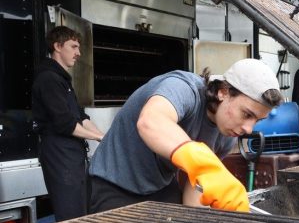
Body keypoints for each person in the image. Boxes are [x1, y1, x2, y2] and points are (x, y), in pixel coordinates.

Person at [88, 58, 283, 214]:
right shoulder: (184, 87)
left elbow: (195, 188)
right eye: (247, 114)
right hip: (114, 182)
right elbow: (151, 121)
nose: (248, 129)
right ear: (224, 92)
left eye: (256, 120)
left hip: (159, 186)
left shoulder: (227, 134)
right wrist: (204, 164)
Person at [32, 26, 104, 221]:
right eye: (73, 47)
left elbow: (80, 117)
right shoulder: (48, 79)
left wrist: (104, 136)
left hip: (71, 156)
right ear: (57, 46)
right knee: (70, 216)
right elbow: (66, 124)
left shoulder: (61, 80)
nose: (78, 53)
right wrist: (98, 137)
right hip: (59, 155)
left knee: (81, 212)